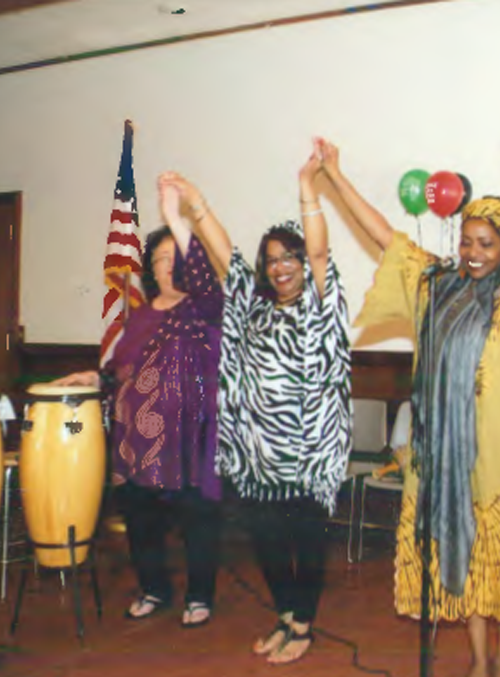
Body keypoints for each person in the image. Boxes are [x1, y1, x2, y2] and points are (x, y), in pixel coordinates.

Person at [321, 127, 500, 677]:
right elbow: (385, 235)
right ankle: (479, 662)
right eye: (467, 241)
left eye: (486, 244)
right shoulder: (434, 286)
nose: (474, 253)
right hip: (445, 461)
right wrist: (335, 176)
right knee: (468, 564)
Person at [156, 138, 352, 665]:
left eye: (288, 258)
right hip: (258, 454)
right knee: (267, 542)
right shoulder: (252, 306)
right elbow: (226, 256)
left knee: (306, 542)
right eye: (272, 261)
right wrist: (193, 204)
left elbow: (317, 249)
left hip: (309, 455)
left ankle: (305, 626)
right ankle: (285, 615)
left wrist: (307, 186)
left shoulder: (320, 300)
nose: (281, 266)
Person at [55, 178, 224, 628]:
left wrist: (175, 212)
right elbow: (121, 368)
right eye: (160, 260)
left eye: (177, 257)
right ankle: (154, 588)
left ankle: (200, 596)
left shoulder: (206, 308)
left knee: (197, 521)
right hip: (137, 446)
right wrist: (95, 377)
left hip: (192, 442)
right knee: (140, 520)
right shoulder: (142, 316)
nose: (168, 266)